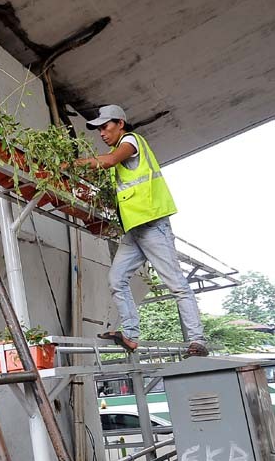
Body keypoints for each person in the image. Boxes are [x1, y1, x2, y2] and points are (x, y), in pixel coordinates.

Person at [75, 104, 208, 357]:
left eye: (105, 127)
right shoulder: (118, 155)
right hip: (135, 231)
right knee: (116, 279)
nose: (102, 133)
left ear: (120, 124)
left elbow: (110, 160)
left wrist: (75, 164)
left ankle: (197, 340)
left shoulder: (131, 142)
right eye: (99, 129)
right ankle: (131, 335)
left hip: (153, 226)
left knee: (177, 284)